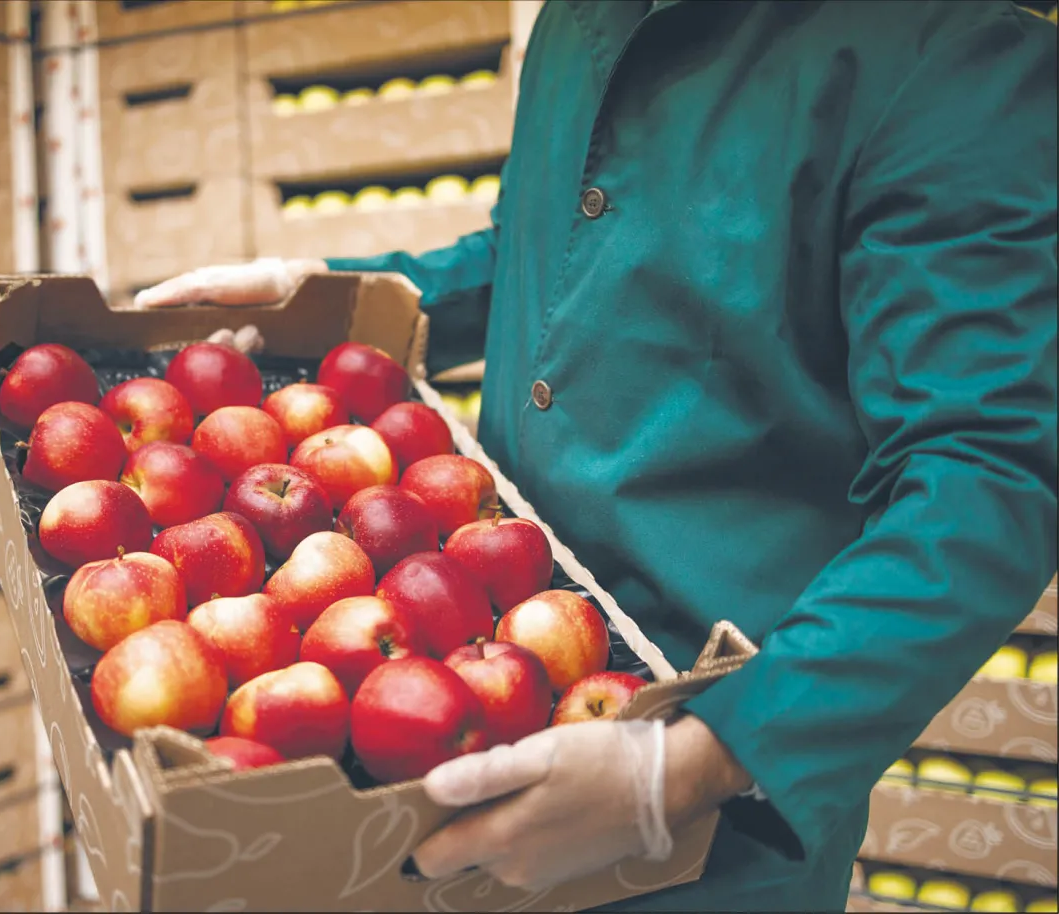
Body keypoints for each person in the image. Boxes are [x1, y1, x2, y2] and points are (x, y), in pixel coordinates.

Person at [132, 1, 1058, 909]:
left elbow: (987, 476)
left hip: (700, 820)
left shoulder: (952, 59)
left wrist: (689, 766)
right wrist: (357, 297)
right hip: (447, 698)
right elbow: (555, 248)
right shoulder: (577, 21)